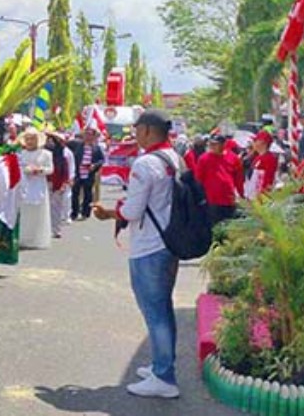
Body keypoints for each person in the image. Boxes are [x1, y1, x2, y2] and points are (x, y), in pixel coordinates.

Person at [91, 109, 181, 399]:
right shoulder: (175, 157)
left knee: (155, 311)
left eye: (137, 129)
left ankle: (164, 377)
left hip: (150, 246)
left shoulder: (145, 164)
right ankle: (161, 366)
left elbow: (132, 210)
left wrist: (109, 212)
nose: (134, 134)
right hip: (169, 242)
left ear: (146, 130)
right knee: (163, 308)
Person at [17, 128, 54, 249]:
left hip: (38, 184)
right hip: (24, 184)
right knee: (24, 212)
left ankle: (36, 239)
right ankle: (23, 238)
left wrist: (39, 170)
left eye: (32, 139)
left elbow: (50, 169)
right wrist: (25, 170)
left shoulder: (46, 154)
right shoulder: (20, 154)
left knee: (38, 211)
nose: (30, 141)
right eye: (27, 139)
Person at [195, 134, 244, 225]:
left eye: (215, 144)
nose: (211, 146)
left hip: (230, 200)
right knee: (215, 227)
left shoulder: (233, 158)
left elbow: (239, 179)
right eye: (210, 144)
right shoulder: (203, 159)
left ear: (223, 144)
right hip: (212, 201)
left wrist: (241, 195)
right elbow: (199, 179)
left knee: (230, 227)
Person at [68, 127, 105, 220]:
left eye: (90, 134)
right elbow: (65, 144)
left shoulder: (96, 148)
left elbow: (101, 160)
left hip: (89, 173)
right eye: (86, 134)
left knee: (88, 194)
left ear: (93, 136)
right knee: (75, 193)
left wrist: (94, 165)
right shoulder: (77, 145)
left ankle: (85, 212)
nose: (88, 137)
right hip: (77, 173)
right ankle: (74, 213)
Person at [45, 132, 71, 239]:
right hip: (44, 184)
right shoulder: (45, 154)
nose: (50, 143)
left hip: (57, 184)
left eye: (53, 140)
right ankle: (45, 231)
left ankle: (56, 230)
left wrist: (64, 185)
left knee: (56, 209)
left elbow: (65, 173)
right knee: (45, 209)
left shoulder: (62, 157)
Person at [246, 131, 279, 200]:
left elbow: (268, 179)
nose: (253, 143)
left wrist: (262, 196)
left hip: (260, 198)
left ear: (263, 142)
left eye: (256, 140)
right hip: (252, 195)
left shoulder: (270, 158)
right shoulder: (257, 158)